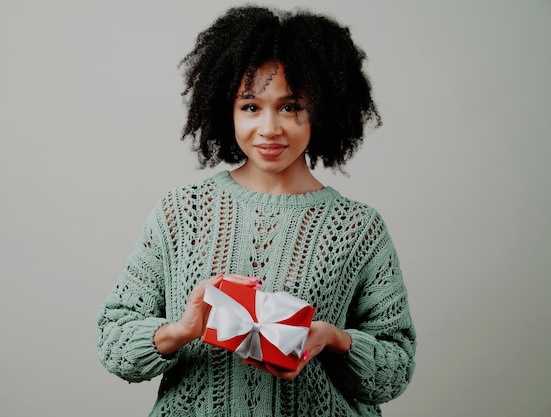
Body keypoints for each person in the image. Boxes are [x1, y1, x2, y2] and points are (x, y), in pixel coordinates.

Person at [97, 5, 416, 417]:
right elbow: (113, 340)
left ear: (322, 108)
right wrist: (181, 330)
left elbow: (396, 369)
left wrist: (334, 340)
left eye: (290, 106)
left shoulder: (359, 228)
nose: (269, 128)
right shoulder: (180, 211)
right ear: (224, 108)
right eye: (250, 106)